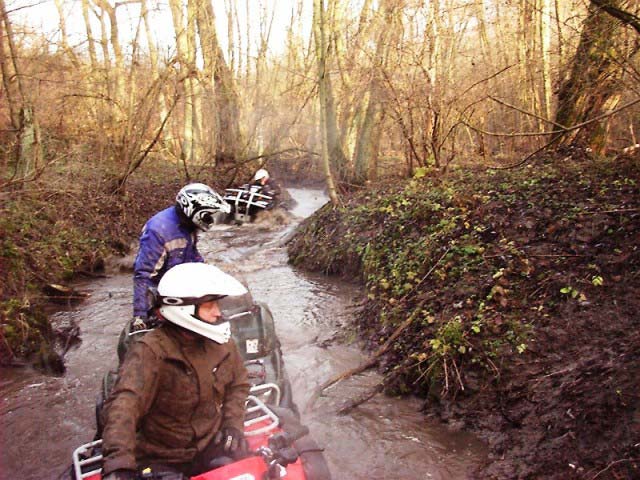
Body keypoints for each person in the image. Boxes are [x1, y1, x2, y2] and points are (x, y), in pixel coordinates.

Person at [102, 263, 251, 480]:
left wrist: (233, 425)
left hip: (209, 445)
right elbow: (124, 404)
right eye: (209, 305)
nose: (217, 312)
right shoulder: (150, 352)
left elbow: (239, 384)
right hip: (162, 457)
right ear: (183, 309)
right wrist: (119, 463)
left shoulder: (222, 344)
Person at [131, 183, 230, 332]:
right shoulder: (158, 230)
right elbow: (143, 275)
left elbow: (192, 255)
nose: (210, 220)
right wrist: (140, 314)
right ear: (195, 211)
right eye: (207, 215)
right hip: (161, 293)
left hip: (179, 282)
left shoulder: (187, 225)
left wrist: (211, 276)